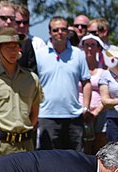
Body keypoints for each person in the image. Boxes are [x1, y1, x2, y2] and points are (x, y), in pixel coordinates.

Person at [0, 28, 43, 159]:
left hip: (25, 144)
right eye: (8, 48)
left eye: (16, 47)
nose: (13, 52)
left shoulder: (31, 78)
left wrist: (25, 128)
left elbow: (35, 111)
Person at [36, 16, 91, 151]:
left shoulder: (78, 54)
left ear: (68, 31)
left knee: (76, 160)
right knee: (49, 160)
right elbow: (32, 85)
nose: (59, 32)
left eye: (63, 29)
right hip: (46, 116)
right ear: (50, 32)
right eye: (56, 30)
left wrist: (85, 108)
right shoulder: (38, 54)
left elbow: (86, 82)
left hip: (74, 116)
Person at [79, 34, 107, 154]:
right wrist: (84, 110)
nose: (89, 48)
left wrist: (96, 112)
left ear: (98, 48)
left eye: (92, 45)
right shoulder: (77, 67)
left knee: (99, 145)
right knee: (84, 145)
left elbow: (107, 93)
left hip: (99, 112)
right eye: (87, 45)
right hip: (80, 113)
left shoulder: (104, 70)